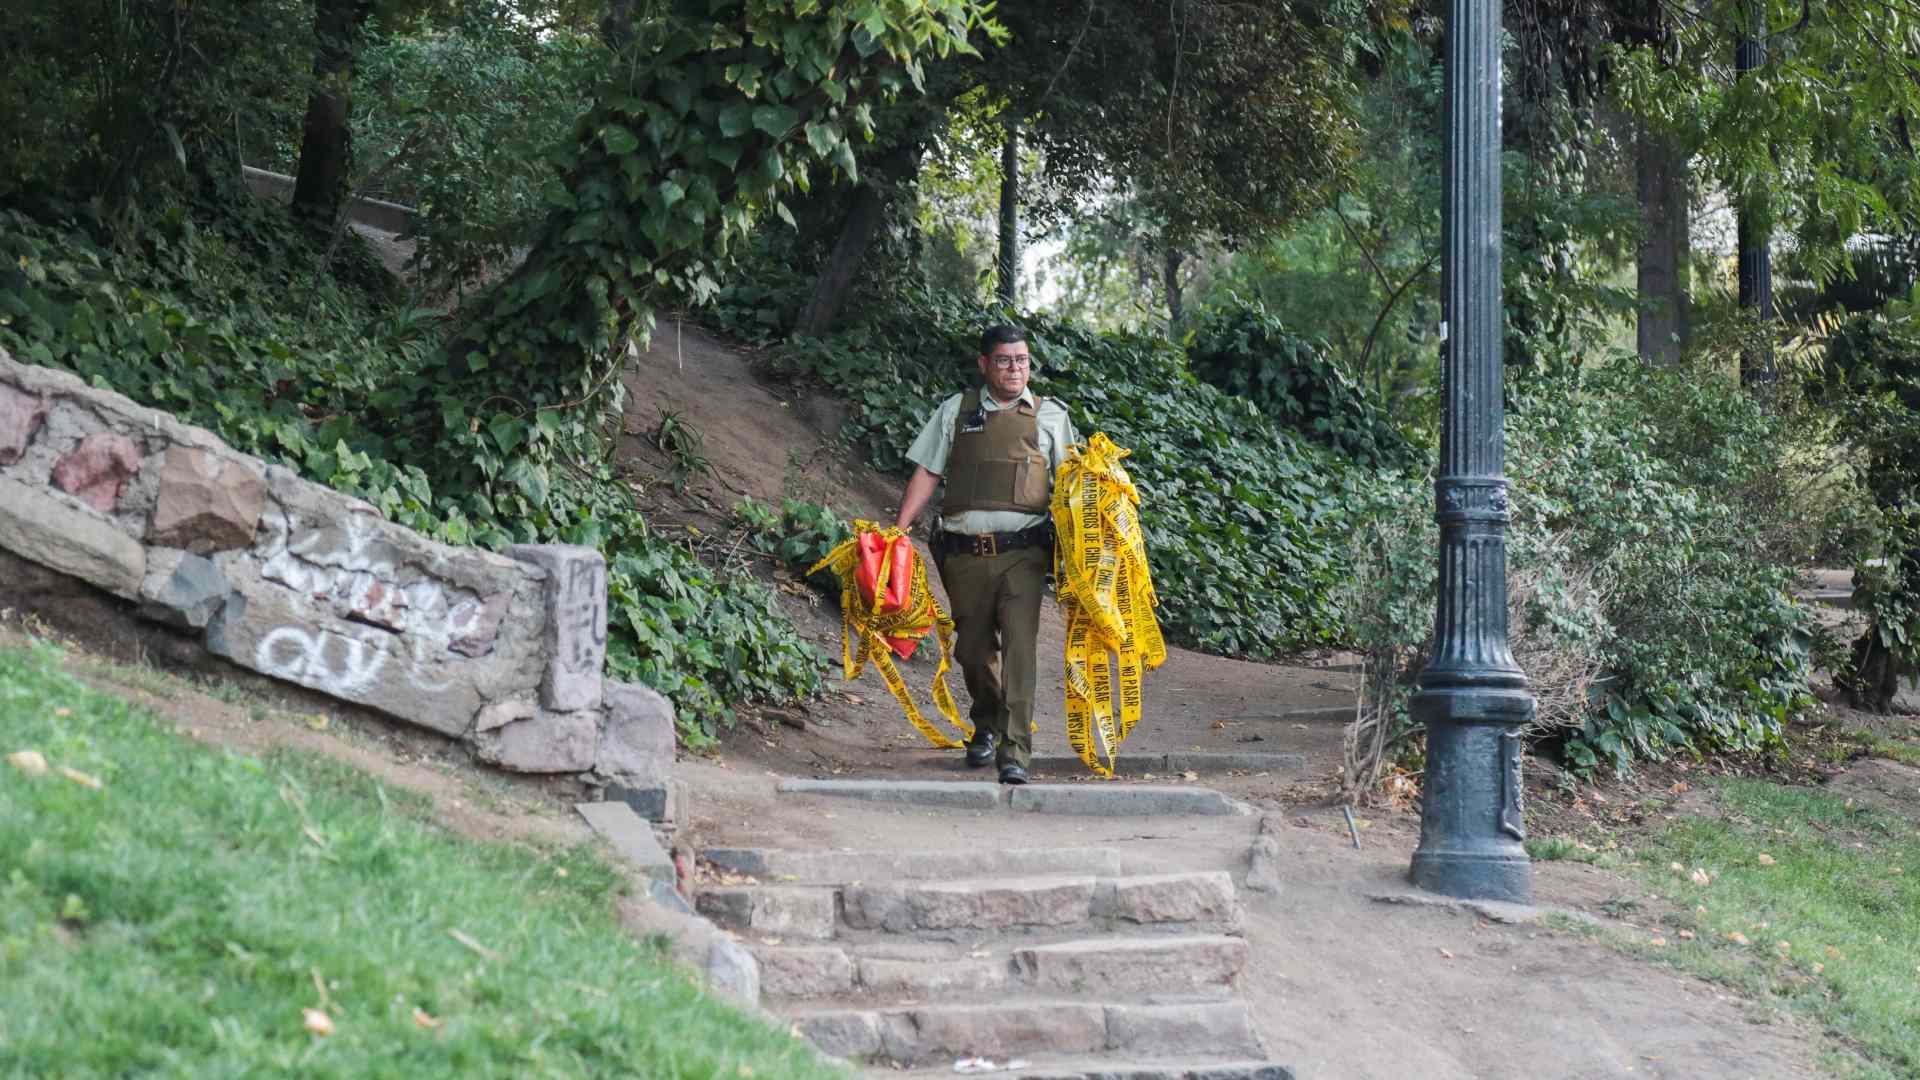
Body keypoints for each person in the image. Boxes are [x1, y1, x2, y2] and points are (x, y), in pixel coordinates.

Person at [893, 325, 1079, 785]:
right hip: (963, 556)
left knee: (1020, 651)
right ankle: (988, 722)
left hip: (1025, 556)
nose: (1015, 369)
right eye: (1004, 360)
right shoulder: (956, 410)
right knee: (973, 652)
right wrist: (898, 531)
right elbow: (927, 472)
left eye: (1022, 360)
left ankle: (1015, 752)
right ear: (984, 365)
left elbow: (1074, 488)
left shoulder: (1050, 416)